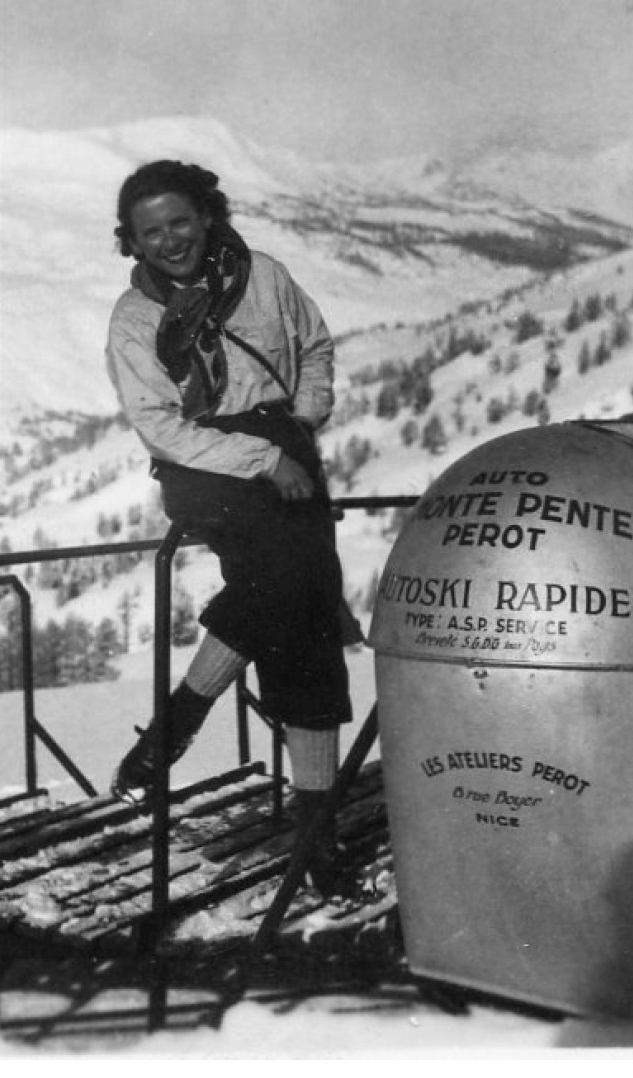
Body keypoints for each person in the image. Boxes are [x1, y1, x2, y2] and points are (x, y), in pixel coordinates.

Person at [103, 159, 362, 896]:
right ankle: (186, 720)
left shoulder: (265, 276)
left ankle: (306, 829)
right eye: (150, 232)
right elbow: (160, 426)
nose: (169, 240)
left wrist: (301, 419)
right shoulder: (135, 318)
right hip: (204, 467)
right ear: (132, 241)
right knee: (289, 580)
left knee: (305, 624)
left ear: (207, 216)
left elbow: (312, 346)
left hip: (283, 449)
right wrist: (261, 457)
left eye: (179, 222)